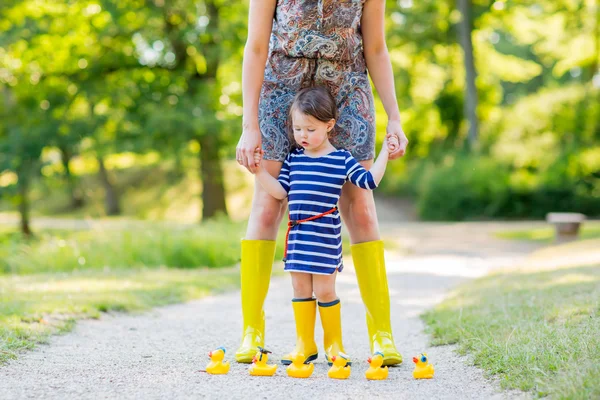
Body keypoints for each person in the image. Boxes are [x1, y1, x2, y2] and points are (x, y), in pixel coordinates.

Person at [235, 0, 409, 366]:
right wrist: (249, 125)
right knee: (268, 205)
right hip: (281, 90)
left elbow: (376, 46)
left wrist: (394, 116)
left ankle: (382, 334)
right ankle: (252, 330)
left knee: (360, 206)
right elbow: (255, 46)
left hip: (347, 89)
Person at [252, 87, 397, 364]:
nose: (302, 136)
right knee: (299, 289)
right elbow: (281, 192)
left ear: (329, 126)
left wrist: (385, 154)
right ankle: (305, 345)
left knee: (325, 290)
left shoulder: (340, 160)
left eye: (310, 129)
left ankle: (334, 345)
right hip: (298, 237)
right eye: (297, 129)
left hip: (324, 237)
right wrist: (258, 171)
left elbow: (369, 182)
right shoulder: (294, 159)